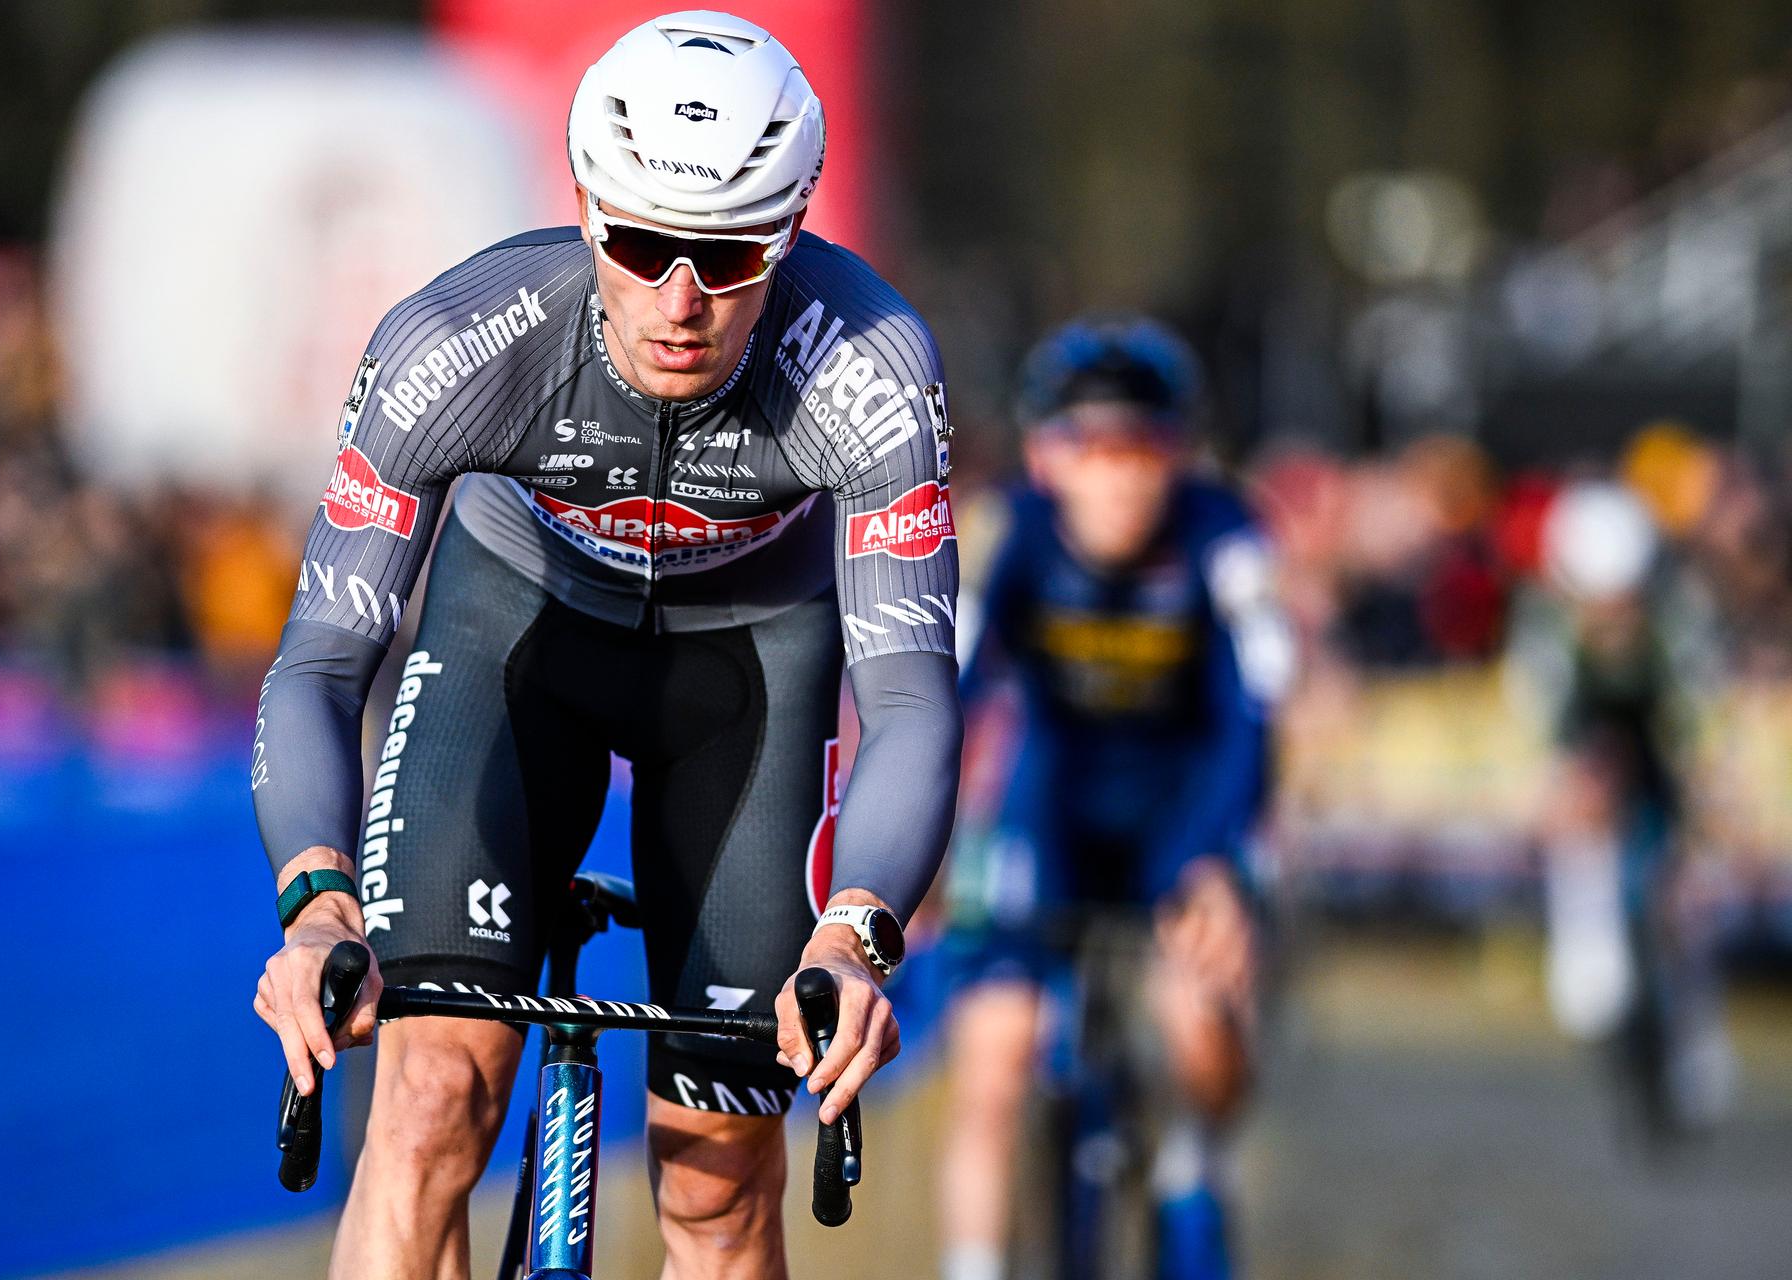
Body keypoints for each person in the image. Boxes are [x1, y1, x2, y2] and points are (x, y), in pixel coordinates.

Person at [247, 12, 962, 1277]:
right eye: (639, 246)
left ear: (793, 230)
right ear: (585, 210)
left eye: (731, 255)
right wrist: (314, 899)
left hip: (747, 673)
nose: (679, 300)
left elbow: (906, 697)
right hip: (512, 637)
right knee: (427, 1106)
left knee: (719, 1183)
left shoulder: (867, 365)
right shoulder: (458, 343)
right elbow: (317, 662)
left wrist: (857, 933)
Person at [936, 318, 1291, 1280]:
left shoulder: (1229, 538)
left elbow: (1253, 720)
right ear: (1048, 457)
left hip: (1188, 811)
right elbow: (948, 694)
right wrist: (920, 843)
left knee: (1197, 1020)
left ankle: (1190, 1159)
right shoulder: (1008, 531)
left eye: (1144, 448)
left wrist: (1217, 864)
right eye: (1092, 449)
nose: (1121, 477)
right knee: (997, 1054)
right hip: (1051, 810)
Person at [1508, 480, 1734, 1137]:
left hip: (1659, 764)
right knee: (1591, 990)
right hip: (1590, 766)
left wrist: (1707, 801)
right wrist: (1566, 786)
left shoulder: (1679, 615)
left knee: (1683, 905)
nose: (1612, 616)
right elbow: (1541, 732)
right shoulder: (1545, 623)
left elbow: (1703, 725)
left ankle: (1693, 1038)